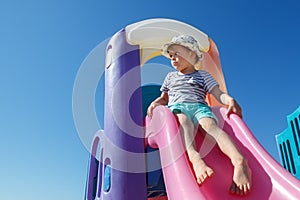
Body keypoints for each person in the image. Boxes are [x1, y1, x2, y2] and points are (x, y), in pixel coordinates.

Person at [147, 35, 252, 195]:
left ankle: (239, 161)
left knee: (210, 126)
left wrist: (229, 99)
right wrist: (156, 103)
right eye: (171, 56)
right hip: (178, 107)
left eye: (177, 53)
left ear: (191, 54)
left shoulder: (203, 75)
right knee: (184, 122)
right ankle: (195, 159)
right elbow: (164, 98)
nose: (173, 58)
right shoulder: (170, 77)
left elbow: (217, 93)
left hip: (200, 107)